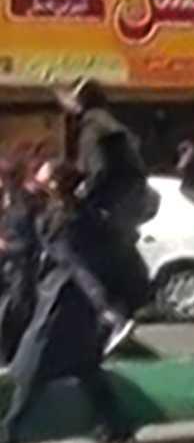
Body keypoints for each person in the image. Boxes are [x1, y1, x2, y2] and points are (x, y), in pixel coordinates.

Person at [0, 161, 135, 443]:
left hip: (59, 304)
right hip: (73, 304)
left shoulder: (61, 220)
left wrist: (102, 302)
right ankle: (118, 426)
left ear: (55, 185)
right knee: (85, 368)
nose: (38, 179)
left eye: (44, 176)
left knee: (31, 371)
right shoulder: (80, 214)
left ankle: (6, 439)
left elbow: (75, 265)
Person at [56, 78, 155, 356]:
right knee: (118, 260)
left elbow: (98, 170)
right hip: (127, 205)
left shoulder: (93, 128)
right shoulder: (112, 125)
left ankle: (113, 318)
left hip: (109, 207)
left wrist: (81, 193)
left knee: (87, 260)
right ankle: (119, 320)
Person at [0, 158, 43, 365]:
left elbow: (32, 242)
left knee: (15, 313)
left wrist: (5, 247)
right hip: (6, 268)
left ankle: (12, 359)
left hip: (21, 269)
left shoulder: (26, 204)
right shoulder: (6, 202)